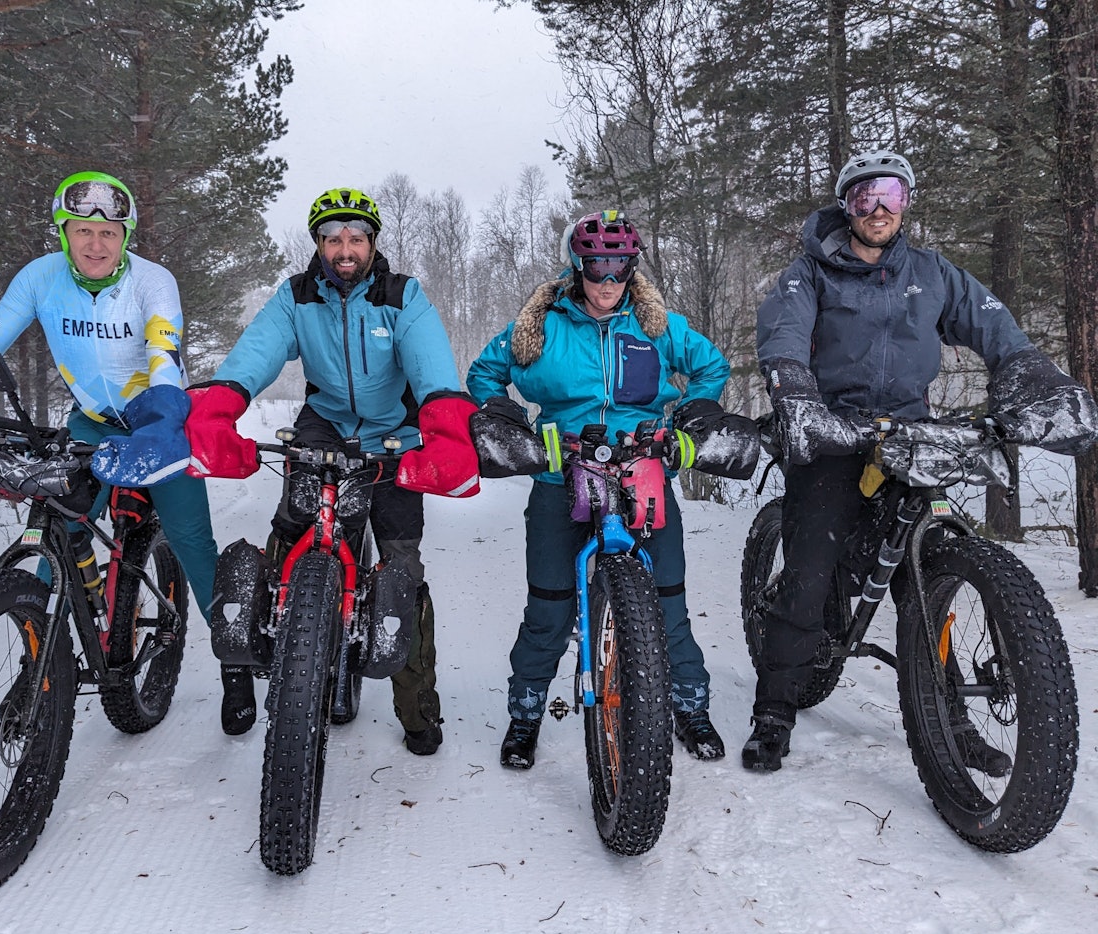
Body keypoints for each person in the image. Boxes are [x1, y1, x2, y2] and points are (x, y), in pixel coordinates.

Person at [746, 148, 1098, 772]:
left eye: (890, 195)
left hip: (910, 435)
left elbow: (998, 331)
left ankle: (950, 719)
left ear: (905, 202)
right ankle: (773, 711)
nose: (878, 209)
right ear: (845, 206)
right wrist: (796, 398)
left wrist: (1027, 374)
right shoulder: (810, 274)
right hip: (832, 435)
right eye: (863, 197)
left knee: (925, 579)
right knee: (807, 573)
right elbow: (783, 335)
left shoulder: (933, 273)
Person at [0, 171, 238, 729]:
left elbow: (162, 355)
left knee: (192, 539)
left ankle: (234, 662)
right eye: (82, 230)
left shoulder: (153, 280)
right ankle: (41, 655)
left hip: (159, 419)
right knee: (50, 527)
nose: (96, 243)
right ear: (63, 230)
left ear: (127, 235)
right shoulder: (41, 277)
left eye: (110, 231)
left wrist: (163, 417)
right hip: (91, 423)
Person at [180, 187, 481, 756]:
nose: (345, 248)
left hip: (393, 430)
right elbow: (256, 353)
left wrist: (444, 424)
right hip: (324, 423)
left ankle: (417, 709)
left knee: (402, 567)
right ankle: (245, 666)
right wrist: (221, 403)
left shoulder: (401, 296)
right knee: (284, 542)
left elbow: (432, 367)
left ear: (372, 244)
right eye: (333, 238)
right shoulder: (296, 297)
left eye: (356, 238)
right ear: (318, 245)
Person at [467, 210, 749, 769]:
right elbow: (483, 373)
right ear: (578, 265)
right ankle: (525, 715)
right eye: (596, 264)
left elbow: (712, 366)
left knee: (668, 602)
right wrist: (511, 420)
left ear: (631, 267)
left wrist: (689, 416)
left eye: (619, 265)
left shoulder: (655, 324)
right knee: (548, 607)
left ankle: (690, 708)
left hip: (642, 470)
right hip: (559, 472)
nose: (607, 278)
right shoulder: (540, 325)